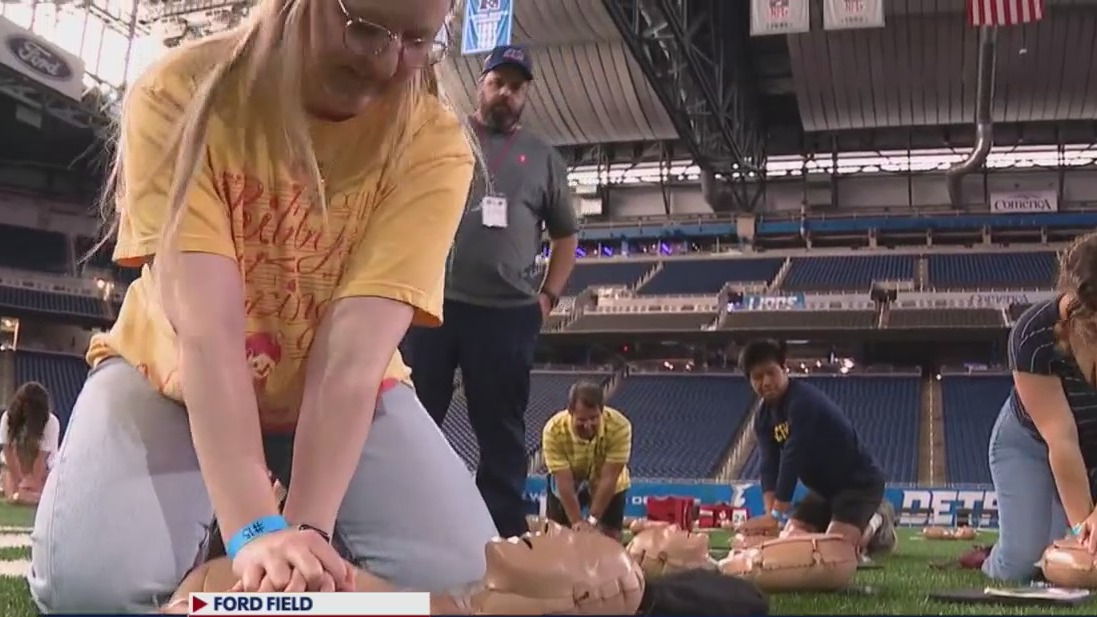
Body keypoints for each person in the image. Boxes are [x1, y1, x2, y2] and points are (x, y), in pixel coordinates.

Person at [27, 0, 499, 612]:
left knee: (466, 579)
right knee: (89, 588)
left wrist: (305, 536)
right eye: (365, 30)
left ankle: (218, 565)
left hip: (345, 391)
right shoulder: (179, 93)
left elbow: (351, 358)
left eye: (417, 41)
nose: (387, 63)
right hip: (168, 372)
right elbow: (208, 332)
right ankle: (216, 554)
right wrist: (254, 530)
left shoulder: (434, 143)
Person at [406, 44, 579, 539]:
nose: (506, 93)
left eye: (516, 87)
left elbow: (565, 236)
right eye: (497, 82)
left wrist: (548, 297)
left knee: (501, 427)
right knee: (413, 416)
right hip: (433, 304)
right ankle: (402, 517)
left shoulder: (542, 158)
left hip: (507, 312)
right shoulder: (443, 134)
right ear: (480, 85)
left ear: (525, 95)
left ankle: (501, 532)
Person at [966, 233, 1097, 582]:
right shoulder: (1032, 336)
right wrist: (1084, 527)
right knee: (1022, 566)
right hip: (1030, 444)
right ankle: (990, 556)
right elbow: (1062, 441)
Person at [737, 339, 887, 554]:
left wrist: (777, 514)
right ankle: (843, 523)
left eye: (771, 372)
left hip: (857, 484)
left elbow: (792, 457)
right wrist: (770, 516)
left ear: (784, 369)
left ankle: (877, 520)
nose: (766, 382)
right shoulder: (762, 418)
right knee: (790, 539)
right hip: (822, 490)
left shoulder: (802, 401)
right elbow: (769, 465)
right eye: (758, 377)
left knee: (835, 550)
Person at [541, 381, 631, 540]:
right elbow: (564, 482)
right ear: (570, 412)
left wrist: (592, 520)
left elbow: (609, 478)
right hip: (570, 480)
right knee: (557, 535)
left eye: (594, 418)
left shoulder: (620, 426)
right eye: (581, 420)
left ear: (602, 411)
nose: (588, 425)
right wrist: (577, 523)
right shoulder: (553, 430)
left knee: (609, 536)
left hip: (605, 482)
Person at [0, 382, 60, 505]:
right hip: (12, 470)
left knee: (31, 495)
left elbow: (41, 460)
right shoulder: (7, 418)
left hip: (44, 472)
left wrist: (32, 483)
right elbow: (8, 453)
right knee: (14, 494)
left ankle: (38, 498)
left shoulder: (51, 422)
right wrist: (19, 483)